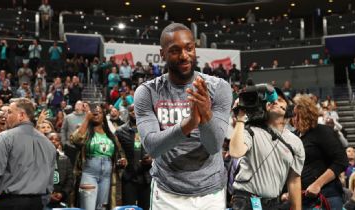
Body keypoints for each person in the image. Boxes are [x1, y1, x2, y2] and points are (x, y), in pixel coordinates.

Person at [134, 23, 232, 210]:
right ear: (162, 54)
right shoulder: (147, 92)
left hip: (210, 192)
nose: (184, 55)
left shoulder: (218, 88)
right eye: (175, 50)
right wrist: (189, 124)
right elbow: (152, 147)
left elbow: (213, 146)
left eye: (189, 48)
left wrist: (206, 115)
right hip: (167, 192)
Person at [229, 87, 305, 210]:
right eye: (271, 101)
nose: (275, 101)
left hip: (273, 204)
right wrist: (240, 118)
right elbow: (235, 152)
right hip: (246, 200)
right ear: (265, 107)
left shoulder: (296, 142)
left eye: (280, 100)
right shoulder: (251, 130)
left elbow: (294, 181)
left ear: (288, 108)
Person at [0, 98, 56, 210]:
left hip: (8, 203)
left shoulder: (5, 138)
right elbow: (50, 183)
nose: (6, 116)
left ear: (21, 115)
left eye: (10, 112)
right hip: (37, 204)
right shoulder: (49, 144)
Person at [292, 95, 347, 210]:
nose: (294, 119)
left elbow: (341, 161)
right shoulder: (293, 136)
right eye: (293, 115)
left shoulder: (322, 131)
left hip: (327, 196)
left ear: (307, 114)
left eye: (298, 115)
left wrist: (318, 184)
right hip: (302, 199)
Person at [70, 103, 126, 210]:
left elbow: (120, 153)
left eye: (99, 112)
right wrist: (86, 119)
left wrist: (121, 161)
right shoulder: (85, 130)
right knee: (89, 207)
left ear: (104, 116)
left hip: (107, 175)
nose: (96, 115)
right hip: (89, 173)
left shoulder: (110, 135)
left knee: (102, 208)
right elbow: (75, 140)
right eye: (94, 113)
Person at [116, 105, 152, 210]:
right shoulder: (120, 131)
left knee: (146, 207)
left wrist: (152, 160)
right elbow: (117, 152)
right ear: (128, 112)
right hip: (129, 177)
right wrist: (120, 161)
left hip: (147, 177)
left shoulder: (150, 129)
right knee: (128, 208)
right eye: (131, 110)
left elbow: (157, 149)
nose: (134, 112)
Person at [44, 133, 73, 210]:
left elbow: (70, 180)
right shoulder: (38, 158)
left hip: (61, 199)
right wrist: (47, 196)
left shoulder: (65, 159)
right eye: (51, 139)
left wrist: (62, 194)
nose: (53, 141)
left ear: (59, 143)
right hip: (42, 200)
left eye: (57, 140)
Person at [60, 100, 85, 165]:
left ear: (83, 107)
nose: (77, 105)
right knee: (69, 165)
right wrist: (64, 142)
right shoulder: (68, 117)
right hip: (70, 146)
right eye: (76, 104)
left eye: (79, 104)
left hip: (83, 146)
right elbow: (63, 129)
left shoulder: (87, 117)